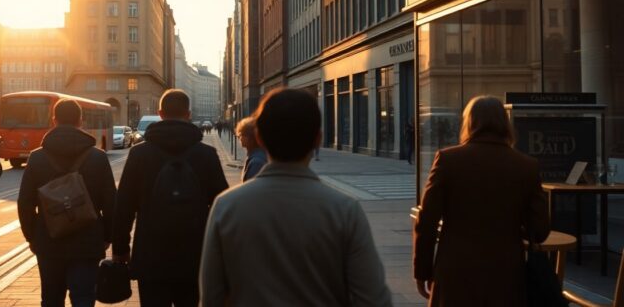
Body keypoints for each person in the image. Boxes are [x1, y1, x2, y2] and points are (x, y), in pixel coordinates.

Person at [201, 88, 391, 306]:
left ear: (259, 138)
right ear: (318, 140)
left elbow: (211, 298)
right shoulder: (344, 210)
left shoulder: (226, 207)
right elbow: (373, 299)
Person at [413, 96, 550, 306]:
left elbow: (427, 221)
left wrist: (422, 270)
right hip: (506, 274)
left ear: (469, 122)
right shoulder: (526, 166)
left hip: (456, 271)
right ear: (506, 124)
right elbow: (540, 230)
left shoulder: (448, 160)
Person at [113, 89, 229, 307]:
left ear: (160, 113)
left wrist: (120, 249)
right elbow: (221, 205)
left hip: (151, 255)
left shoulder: (140, 154)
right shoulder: (206, 154)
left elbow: (124, 205)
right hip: (195, 255)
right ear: (188, 114)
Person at [17, 99, 116, 306]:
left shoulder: (37, 157)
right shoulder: (97, 157)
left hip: (49, 241)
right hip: (87, 241)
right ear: (81, 121)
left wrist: (32, 237)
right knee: (83, 298)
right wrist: (107, 236)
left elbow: (25, 202)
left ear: (54, 120)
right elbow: (110, 202)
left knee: (51, 299)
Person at [235, 117, 267, 182]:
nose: (239, 138)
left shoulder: (256, 162)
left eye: (242, 134)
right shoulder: (255, 155)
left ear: (251, 137)